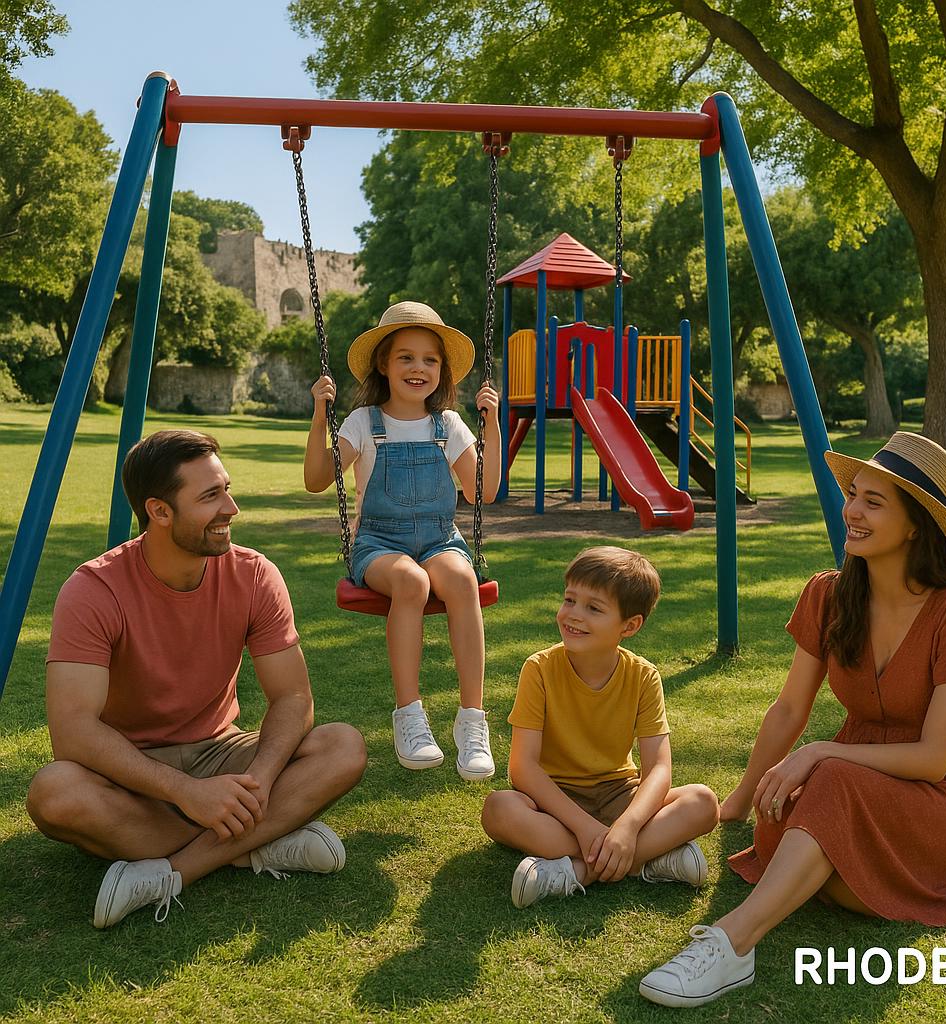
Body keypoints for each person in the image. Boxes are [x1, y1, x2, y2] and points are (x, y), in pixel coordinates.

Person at [639, 432, 946, 1009]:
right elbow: (790, 708)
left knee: (825, 798)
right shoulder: (829, 593)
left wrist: (820, 752)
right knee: (787, 826)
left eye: (874, 501)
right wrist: (739, 800)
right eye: (853, 494)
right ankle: (815, 876)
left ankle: (732, 943)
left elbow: (933, 757)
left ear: (917, 524)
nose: (852, 511)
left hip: (943, 798)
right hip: (847, 789)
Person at [26, 430, 367, 929]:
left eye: (225, 489)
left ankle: (176, 872)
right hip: (132, 770)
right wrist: (186, 793)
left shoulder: (254, 574)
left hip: (223, 754)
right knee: (54, 793)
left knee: (344, 746)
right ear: (160, 512)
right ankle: (256, 846)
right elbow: (73, 731)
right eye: (210, 496)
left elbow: (293, 697)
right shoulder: (92, 589)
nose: (231, 507)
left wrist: (261, 785)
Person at [304, 300, 500, 781]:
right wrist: (319, 413)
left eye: (430, 359)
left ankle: (471, 721)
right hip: (377, 544)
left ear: (442, 370)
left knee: (460, 577)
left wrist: (491, 423)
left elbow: (483, 493)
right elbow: (315, 480)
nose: (418, 368)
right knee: (410, 583)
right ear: (384, 365)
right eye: (406, 357)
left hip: (440, 540)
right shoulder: (362, 423)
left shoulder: (449, 425)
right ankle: (409, 717)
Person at [481, 546, 719, 907]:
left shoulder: (643, 675)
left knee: (703, 802)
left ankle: (578, 873)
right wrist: (585, 826)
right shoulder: (539, 669)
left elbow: (658, 768)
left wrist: (628, 826)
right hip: (554, 803)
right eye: (570, 600)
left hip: (619, 793)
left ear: (630, 625)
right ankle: (647, 861)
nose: (573, 615)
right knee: (499, 809)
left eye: (594, 608)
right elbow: (523, 769)